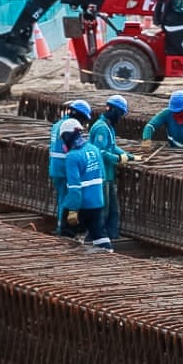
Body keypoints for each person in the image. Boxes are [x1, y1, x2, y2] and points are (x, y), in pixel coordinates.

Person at [89, 94, 137, 241]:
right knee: (103, 209)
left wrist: (128, 155)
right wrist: (117, 159)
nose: (121, 117)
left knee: (113, 210)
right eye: (121, 114)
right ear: (115, 111)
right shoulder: (102, 129)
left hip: (108, 174)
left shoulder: (108, 127)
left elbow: (112, 146)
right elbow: (99, 151)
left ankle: (112, 237)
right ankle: (94, 238)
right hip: (101, 175)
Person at [59, 120, 112, 252]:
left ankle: (66, 260)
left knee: (66, 235)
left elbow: (74, 187)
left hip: (81, 203)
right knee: (99, 235)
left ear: (67, 136)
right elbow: (103, 176)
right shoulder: (94, 149)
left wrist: (73, 209)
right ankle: (109, 254)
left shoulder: (72, 156)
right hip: (97, 202)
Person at [49, 100, 93, 235]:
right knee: (68, 198)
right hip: (64, 168)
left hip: (55, 167)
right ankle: (63, 229)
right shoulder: (68, 127)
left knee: (62, 197)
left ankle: (61, 226)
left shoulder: (58, 124)